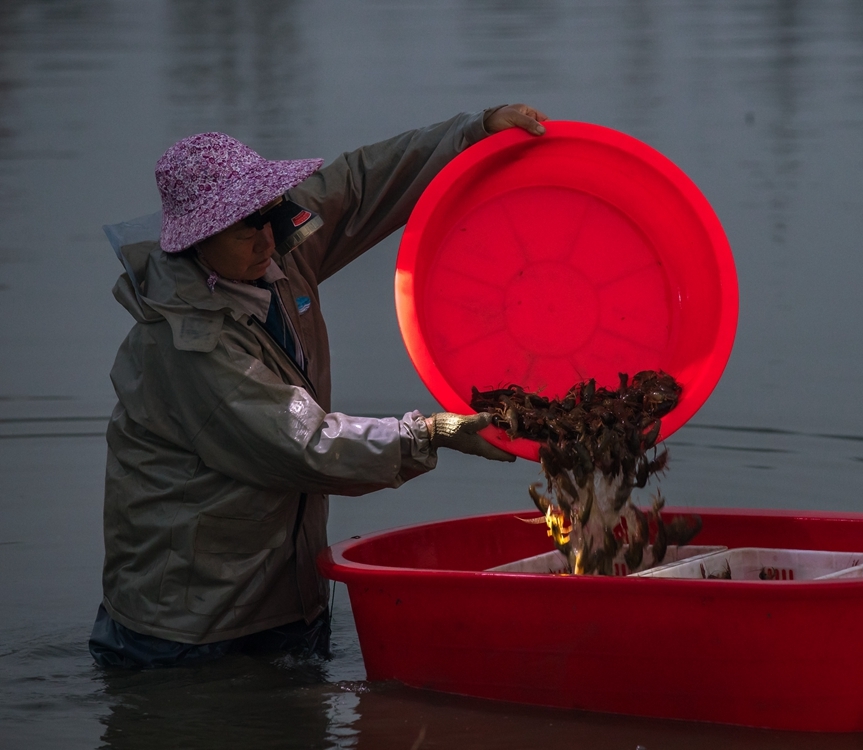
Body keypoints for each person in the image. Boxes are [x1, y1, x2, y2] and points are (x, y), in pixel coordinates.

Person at [90, 104, 549, 669]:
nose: (266, 239)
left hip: (283, 595)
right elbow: (303, 445)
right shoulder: (186, 344)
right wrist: (432, 433)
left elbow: (358, 184)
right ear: (195, 241)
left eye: (269, 215)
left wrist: (471, 135)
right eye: (244, 229)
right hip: (190, 626)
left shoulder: (272, 252)